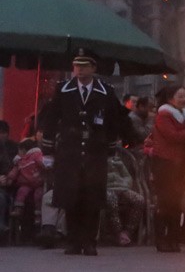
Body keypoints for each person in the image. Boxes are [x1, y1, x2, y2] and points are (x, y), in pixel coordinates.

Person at [37, 49, 136, 255]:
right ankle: (73, 241)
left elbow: (114, 119)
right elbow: (51, 118)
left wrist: (113, 144)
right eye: (76, 66)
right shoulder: (63, 89)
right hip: (69, 150)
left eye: (84, 66)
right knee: (71, 197)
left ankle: (89, 241)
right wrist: (47, 149)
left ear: (93, 68)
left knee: (92, 198)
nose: (79, 70)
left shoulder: (105, 91)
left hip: (95, 150)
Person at [147, 85, 185, 252]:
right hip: (164, 164)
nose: (184, 99)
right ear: (170, 99)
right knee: (164, 202)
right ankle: (161, 239)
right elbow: (173, 136)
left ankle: (174, 239)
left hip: (181, 164)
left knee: (176, 202)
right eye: (180, 96)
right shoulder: (164, 115)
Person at [103, 153, 144, 246]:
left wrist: (123, 185)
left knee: (139, 200)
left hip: (122, 188)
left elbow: (127, 177)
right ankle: (118, 233)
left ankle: (127, 233)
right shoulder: (98, 161)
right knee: (111, 200)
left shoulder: (118, 162)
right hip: (107, 188)